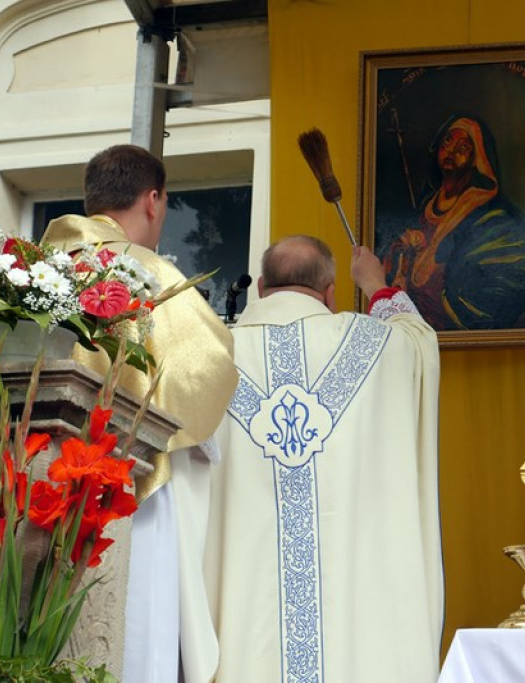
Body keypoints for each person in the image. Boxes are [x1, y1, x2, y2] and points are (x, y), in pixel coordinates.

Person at [205, 236, 443, 683]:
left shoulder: (214, 356)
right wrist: (376, 286)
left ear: (259, 287)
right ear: (331, 291)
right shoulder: (380, 345)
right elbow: (419, 340)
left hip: (243, 620)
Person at [41, 144, 236, 683]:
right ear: (153, 200)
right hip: (126, 488)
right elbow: (209, 368)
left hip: (41, 482)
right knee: (133, 634)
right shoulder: (145, 272)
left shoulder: (38, 269)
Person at [381, 114, 525, 330]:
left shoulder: (490, 215)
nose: (451, 151)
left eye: (463, 147)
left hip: (451, 314)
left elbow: (502, 275)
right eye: (447, 141)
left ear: (478, 158)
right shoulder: (426, 206)